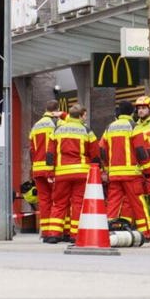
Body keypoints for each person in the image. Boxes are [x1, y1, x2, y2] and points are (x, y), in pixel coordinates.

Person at [43, 104, 99, 244]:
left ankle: (53, 234)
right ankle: (75, 234)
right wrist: (97, 170)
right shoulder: (86, 131)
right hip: (81, 172)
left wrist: (50, 171)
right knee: (78, 203)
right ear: (80, 116)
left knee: (59, 203)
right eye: (84, 115)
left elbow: (50, 153)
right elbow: (95, 153)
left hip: (62, 173)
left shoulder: (58, 130)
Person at [99, 100, 150, 242]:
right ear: (132, 112)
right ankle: (145, 232)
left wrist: (108, 169)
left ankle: (107, 232)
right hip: (131, 174)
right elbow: (140, 150)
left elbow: (102, 149)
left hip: (115, 174)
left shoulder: (109, 128)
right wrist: (146, 169)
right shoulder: (134, 126)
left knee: (113, 204)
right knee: (138, 203)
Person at [28, 100, 60, 238]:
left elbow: (31, 150)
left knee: (44, 200)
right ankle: (56, 231)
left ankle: (46, 232)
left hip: (37, 168)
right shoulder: (56, 124)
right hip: (51, 168)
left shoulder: (35, 126)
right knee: (58, 200)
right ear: (57, 110)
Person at [132, 95, 150, 214]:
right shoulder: (135, 127)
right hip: (140, 170)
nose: (140, 110)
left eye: (144, 108)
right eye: (139, 108)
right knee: (142, 198)